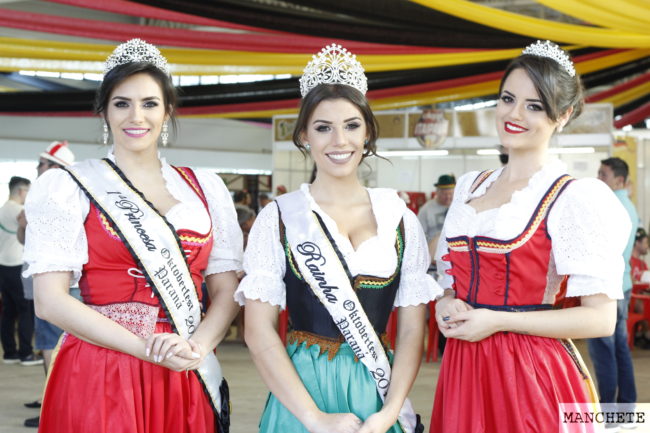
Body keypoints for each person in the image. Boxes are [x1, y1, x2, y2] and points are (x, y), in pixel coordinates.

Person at [22, 39, 242, 433]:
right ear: (104, 112)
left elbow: (226, 289)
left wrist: (198, 347)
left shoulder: (205, 188)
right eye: (121, 103)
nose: (135, 115)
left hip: (184, 365)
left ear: (167, 111)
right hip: (104, 367)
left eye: (149, 103)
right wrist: (146, 350)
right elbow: (50, 302)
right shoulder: (68, 186)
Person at [237, 44, 440, 433]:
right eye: (323, 127)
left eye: (351, 125)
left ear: (367, 133)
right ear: (304, 136)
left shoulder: (400, 218)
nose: (339, 141)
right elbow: (257, 330)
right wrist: (313, 418)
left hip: (377, 392)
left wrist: (389, 411)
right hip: (301, 396)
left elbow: (414, 328)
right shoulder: (279, 217)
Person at [431, 41, 630, 433]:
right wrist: (445, 304)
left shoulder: (572, 197)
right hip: (463, 368)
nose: (514, 114)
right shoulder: (471, 185)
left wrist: (497, 321)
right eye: (508, 99)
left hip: (531, 375)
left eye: (534, 105)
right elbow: (450, 283)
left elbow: (601, 319)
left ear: (564, 114)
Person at [17, 140, 76, 429]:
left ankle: (57, 407)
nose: (37, 168)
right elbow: (24, 239)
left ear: (54, 167)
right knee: (53, 344)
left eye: (41, 164)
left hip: (58, 286)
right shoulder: (59, 194)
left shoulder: (55, 195)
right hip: (53, 283)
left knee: (52, 345)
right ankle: (51, 400)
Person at [588, 156, 638, 417]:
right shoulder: (627, 205)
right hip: (622, 285)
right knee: (619, 350)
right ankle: (626, 408)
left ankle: (608, 414)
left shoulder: (611, 207)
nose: (598, 178)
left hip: (607, 290)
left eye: (603, 174)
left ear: (619, 180)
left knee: (604, 353)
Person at [0, 176, 39, 365]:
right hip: (17, 265)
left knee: (8, 311)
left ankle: (9, 352)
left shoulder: (2, 209)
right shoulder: (19, 211)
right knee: (25, 311)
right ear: (21, 191)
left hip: (3, 266)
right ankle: (26, 353)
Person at [417, 174, 455, 269]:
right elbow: (418, 235)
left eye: (450, 194)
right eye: (444, 194)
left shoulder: (458, 207)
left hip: (454, 259)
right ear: (437, 192)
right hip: (433, 260)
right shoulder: (426, 210)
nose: (448, 197)